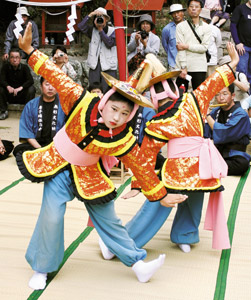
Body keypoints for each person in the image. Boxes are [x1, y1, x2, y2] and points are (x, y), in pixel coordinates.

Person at [16, 22, 187, 290]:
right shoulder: (81, 100)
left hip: (91, 174)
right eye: (114, 109)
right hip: (59, 165)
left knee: (110, 219)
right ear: (106, 101)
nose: (117, 117)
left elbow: (141, 166)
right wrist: (29, 50)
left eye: (124, 114)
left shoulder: (123, 138)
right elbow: (56, 75)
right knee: (51, 215)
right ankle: (42, 268)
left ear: (130, 115)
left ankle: (137, 264)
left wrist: (161, 195)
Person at [108, 43, 238, 256]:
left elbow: (146, 157)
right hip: (186, 167)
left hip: (196, 165)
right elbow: (146, 157)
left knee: (186, 198)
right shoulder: (191, 101)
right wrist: (139, 184)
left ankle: (182, 234)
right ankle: (124, 242)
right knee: (164, 201)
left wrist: (139, 184)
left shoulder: (176, 109)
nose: (161, 92)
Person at [13, 77, 65, 156]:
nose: (50, 88)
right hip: (37, 144)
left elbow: (68, 131)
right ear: (41, 86)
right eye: (47, 84)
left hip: (58, 145)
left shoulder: (65, 106)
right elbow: (27, 132)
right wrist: (39, 149)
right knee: (18, 150)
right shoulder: (30, 105)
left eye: (54, 85)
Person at [205, 84, 251, 175]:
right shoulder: (216, 111)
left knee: (242, 164)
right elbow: (206, 132)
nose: (221, 98)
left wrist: (206, 115)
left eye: (225, 94)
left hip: (233, 154)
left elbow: (224, 132)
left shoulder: (241, 114)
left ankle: (210, 167)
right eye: (217, 95)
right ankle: (213, 166)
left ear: (233, 95)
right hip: (217, 153)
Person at [77, 7, 117, 93]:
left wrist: (101, 30)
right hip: (95, 64)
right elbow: (80, 26)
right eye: (97, 18)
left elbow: (109, 43)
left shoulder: (113, 30)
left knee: (108, 91)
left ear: (106, 19)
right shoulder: (92, 30)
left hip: (108, 65)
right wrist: (91, 15)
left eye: (102, 17)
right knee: (93, 90)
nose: (99, 19)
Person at [175, 0, 211, 91]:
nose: (194, 9)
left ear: (200, 9)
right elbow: (180, 48)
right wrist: (183, 67)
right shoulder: (180, 26)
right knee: (179, 95)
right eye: (191, 6)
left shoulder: (207, 28)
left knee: (198, 96)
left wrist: (187, 46)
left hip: (199, 66)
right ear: (187, 9)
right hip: (183, 66)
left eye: (196, 6)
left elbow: (204, 47)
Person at [0, 48, 36, 120]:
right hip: (9, 94)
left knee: (32, 89)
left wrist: (20, 88)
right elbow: (1, 79)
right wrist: (8, 86)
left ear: (20, 58)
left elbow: (30, 80)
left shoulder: (24, 68)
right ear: (9, 58)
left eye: (16, 57)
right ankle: (3, 111)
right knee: (0, 89)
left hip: (21, 95)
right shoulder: (5, 67)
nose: (14, 60)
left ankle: (28, 113)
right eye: (12, 57)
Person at [230, 0, 251, 94]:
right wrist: (237, 42)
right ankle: (242, 97)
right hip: (243, 47)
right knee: (242, 73)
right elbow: (233, 26)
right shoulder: (240, 9)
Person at [162, 4, 186, 71]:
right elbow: (165, 45)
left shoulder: (189, 26)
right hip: (173, 65)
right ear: (171, 15)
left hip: (189, 63)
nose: (176, 15)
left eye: (178, 12)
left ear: (182, 13)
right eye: (174, 13)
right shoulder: (167, 29)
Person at [199, 8, 222, 77]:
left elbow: (218, 43)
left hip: (211, 61)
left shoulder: (215, 29)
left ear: (204, 19)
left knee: (210, 83)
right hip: (199, 62)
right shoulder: (196, 28)